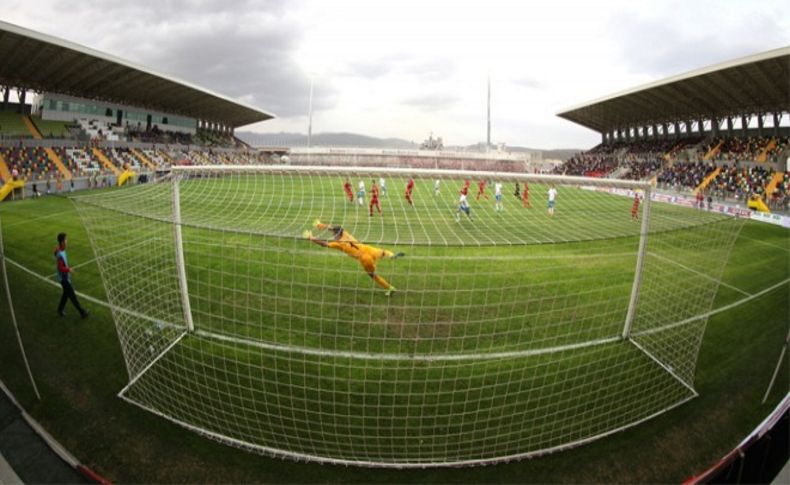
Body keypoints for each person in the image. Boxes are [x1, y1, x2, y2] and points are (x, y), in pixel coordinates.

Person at [304, 220, 404, 296]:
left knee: (373, 276)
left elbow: (324, 244)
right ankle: (391, 255)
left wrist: (312, 238)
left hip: (364, 258)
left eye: (334, 234)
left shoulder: (339, 244)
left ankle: (390, 288)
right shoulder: (345, 233)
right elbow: (333, 228)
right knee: (383, 252)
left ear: (337, 235)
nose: (333, 235)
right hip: (368, 249)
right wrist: (321, 225)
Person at [54, 233, 89, 318]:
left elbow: (56, 251)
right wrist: (69, 269)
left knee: (66, 294)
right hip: (63, 278)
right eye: (66, 240)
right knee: (72, 295)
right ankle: (82, 312)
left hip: (64, 277)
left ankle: (60, 309)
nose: (67, 241)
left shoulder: (61, 249)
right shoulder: (60, 254)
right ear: (62, 242)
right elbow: (61, 268)